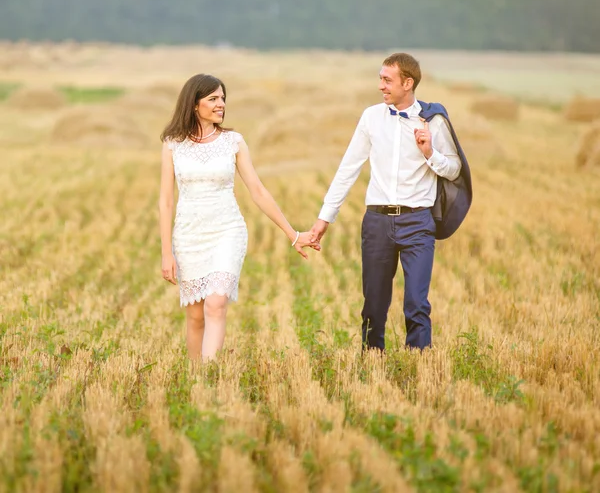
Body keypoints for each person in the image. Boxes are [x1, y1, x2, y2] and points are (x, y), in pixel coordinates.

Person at [310, 52, 468, 352]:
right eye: (380, 79)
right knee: (373, 305)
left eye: (387, 80)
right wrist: (324, 219)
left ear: (407, 83)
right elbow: (348, 168)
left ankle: (421, 369)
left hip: (418, 222)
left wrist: (429, 153)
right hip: (377, 222)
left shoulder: (433, 120)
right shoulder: (371, 117)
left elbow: (454, 169)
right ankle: (372, 365)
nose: (381, 86)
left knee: (417, 305)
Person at [159, 74, 319, 361]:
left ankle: (209, 374)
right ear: (194, 104)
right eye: (213, 99)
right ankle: (195, 377)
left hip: (227, 230)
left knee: (216, 303)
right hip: (188, 235)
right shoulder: (173, 144)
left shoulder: (233, 142)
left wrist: (292, 234)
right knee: (195, 316)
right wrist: (166, 252)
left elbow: (257, 190)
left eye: (222, 98)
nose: (221, 104)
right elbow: (166, 201)